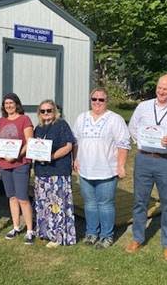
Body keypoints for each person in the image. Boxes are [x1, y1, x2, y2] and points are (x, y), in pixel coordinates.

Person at [126, 73, 167, 261]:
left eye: (166, 88)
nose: (161, 91)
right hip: (144, 160)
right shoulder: (143, 107)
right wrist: (144, 140)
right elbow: (132, 127)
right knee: (140, 201)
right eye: (159, 87)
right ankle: (137, 238)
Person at [73, 88, 131, 249]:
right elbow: (75, 141)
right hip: (85, 169)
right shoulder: (81, 118)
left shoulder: (115, 119)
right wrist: (75, 159)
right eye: (94, 99)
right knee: (90, 204)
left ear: (107, 101)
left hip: (106, 170)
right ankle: (91, 233)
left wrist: (120, 165)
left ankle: (106, 236)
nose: (97, 102)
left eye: (101, 100)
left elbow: (123, 144)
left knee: (105, 204)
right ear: (90, 100)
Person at [33, 99, 76, 248]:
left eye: (49, 110)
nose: (46, 113)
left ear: (55, 111)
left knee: (56, 203)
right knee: (43, 202)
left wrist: (51, 157)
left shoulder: (61, 124)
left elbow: (69, 146)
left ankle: (58, 236)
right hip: (41, 171)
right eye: (43, 111)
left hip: (58, 169)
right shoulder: (38, 128)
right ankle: (46, 232)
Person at [0, 93, 35, 245]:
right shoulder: (1, 121)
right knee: (11, 197)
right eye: (6, 103)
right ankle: (16, 226)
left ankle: (30, 230)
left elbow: (30, 141)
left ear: (17, 104)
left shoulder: (24, 119)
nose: (9, 106)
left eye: (11, 103)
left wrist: (17, 155)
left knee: (22, 198)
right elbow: (1, 143)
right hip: (5, 164)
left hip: (20, 163)